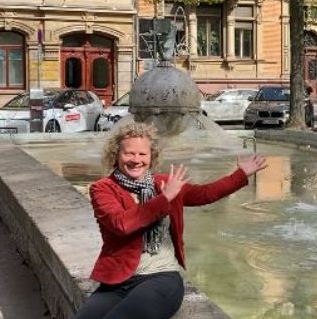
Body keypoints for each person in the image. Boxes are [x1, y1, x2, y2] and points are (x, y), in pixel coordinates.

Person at [76, 122, 268, 319]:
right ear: (116, 155)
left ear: (151, 158)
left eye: (142, 154)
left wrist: (240, 175)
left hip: (161, 277)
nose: (136, 160)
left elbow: (205, 194)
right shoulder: (103, 188)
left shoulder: (165, 184)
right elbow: (121, 224)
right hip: (117, 281)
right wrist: (164, 199)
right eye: (129, 153)